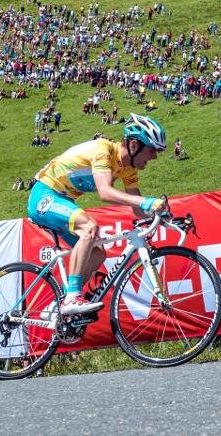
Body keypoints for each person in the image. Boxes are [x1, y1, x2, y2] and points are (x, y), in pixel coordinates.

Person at [27, 113, 169, 316]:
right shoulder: (103, 150)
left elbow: (138, 210)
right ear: (135, 145)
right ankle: (71, 298)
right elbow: (105, 191)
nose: (155, 156)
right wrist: (146, 201)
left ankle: (57, 307)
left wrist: (165, 219)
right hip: (44, 196)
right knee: (89, 226)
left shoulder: (128, 170)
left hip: (64, 201)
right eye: (153, 150)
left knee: (98, 253)